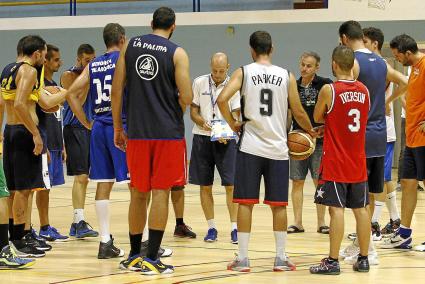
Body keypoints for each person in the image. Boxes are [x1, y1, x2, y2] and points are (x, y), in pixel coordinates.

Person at [218, 30, 317, 272]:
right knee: (279, 205)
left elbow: (222, 99)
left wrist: (232, 123)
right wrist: (311, 131)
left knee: (245, 203)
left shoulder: (243, 72)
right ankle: (281, 258)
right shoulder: (287, 75)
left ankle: (242, 259)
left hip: (250, 146)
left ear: (252, 50)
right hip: (278, 149)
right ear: (272, 49)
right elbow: (298, 110)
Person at [112, 7, 193, 275]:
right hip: (166, 133)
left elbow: (117, 88)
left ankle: (134, 255)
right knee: (161, 192)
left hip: (136, 131)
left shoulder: (131, 46)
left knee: (138, 192)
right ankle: (152, 257)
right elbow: (187, 95)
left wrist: (117, 127)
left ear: (151, 24)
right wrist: (174, 111)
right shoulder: (177, 52)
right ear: (173, 26)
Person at [338, 20, 407, 265]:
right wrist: (388, 102)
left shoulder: (351, 63)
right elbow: (405, 82)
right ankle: (361, 244)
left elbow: (348, 97)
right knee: (368, 195)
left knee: (359, 197)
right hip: (379, 134)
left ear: (344, 38)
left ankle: (367, 250)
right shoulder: (381, 62)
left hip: (359, 136)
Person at [66, 23, 127, 259]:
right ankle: (143, 243)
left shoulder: (94, 64)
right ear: (122, 39)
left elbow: (71, 94)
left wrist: (86, 122)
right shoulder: (124, 61)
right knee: (138, 185)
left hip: (99, 127)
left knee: (103, 183)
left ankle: (104, 242)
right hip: (121, 126)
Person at [309, 45, 371, 275]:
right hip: (358, 160)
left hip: (336, 161)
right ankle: (363, 259)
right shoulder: (364, 90)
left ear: (334, 64)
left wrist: (327, 125)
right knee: (361, 210)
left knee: (336, 211)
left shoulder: (329, 89)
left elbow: (317, 116)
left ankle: (332, 262)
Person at [1, 35, 63, 257]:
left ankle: (16, 236)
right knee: (24, 190)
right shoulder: (30, 71)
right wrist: (36, 134)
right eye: (44, 56)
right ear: (37, 53)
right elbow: (20, 103)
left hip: (10, 132)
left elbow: (4, 102)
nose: (43, 59)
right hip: (24, 133)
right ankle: (19, 239)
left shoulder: (8, 69)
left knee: (14, 189)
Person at [189, 52, 239, 243]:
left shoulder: (234, 85)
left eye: (221, 71)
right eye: (214, 70)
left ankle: (234, 227)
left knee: (231, 185)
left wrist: (225, 132)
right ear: (210, 66)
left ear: (228, 67)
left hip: (226, 139)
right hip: (202, 138)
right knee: (205, 185)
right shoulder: (199, 82)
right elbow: (193, 111)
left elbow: (236, 113)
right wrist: (202, 122)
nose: (217, 74)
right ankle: (211, 228)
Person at [362, 27, 407, 238]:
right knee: (384, 179)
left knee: (380, 179)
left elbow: (404, 83)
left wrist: (388, 101)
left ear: (374, 44)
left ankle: (373, 225)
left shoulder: (381, 66)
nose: (362, 45)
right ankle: (394, 219)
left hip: (382, 129)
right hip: (375, 129)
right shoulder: (373, 66)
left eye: (365, 41)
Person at [382, 34, 425, 251]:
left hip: (424, 137)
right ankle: (405, 234)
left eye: (398, 54)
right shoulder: (413, 70)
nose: (397, 58)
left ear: (407, 52)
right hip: (412, 137)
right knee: (408, 183)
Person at [288, 51, 332, 235]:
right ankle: (297, 222)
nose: (305, 68)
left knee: (318, 181)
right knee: (297, 182)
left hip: (320, 141)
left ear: (317, 67)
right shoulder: (293, 86)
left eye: (309, 66)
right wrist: (286, 136)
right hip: (299, 140)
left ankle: (321, 222)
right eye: (303, 64)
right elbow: (290, 113)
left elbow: (331, 111)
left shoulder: (325, 84)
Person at [61, 44, 98, 239]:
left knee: (87, 177)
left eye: (93, 60)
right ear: (79, 60)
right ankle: (78, 220)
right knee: (81, 176)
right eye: (87, 61)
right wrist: (88, 76)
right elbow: (79, 99)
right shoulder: (69, 76)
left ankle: (78, 222)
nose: (90, 64)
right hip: (75, 127)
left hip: (90, 127)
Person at [0, 85, 35, 268]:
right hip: (18, 133)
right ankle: (6, 248)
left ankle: (7, 246)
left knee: (9, 193)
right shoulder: (26, 72)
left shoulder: (7, 75)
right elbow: (13, 104)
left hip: (9, 134)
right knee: (6, 194)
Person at [36, 44, 68, 242]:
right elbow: (36, 118)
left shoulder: (52, 82)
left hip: (56, 142)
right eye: (56, 59)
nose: (60, 62)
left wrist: (62, 144)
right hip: (45, 143)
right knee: (41, 187)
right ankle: (43, 226)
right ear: (45, 61)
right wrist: (45, 146)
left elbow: (57, 116)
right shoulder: (40, 86)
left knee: (47, 187)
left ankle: (45, 226)